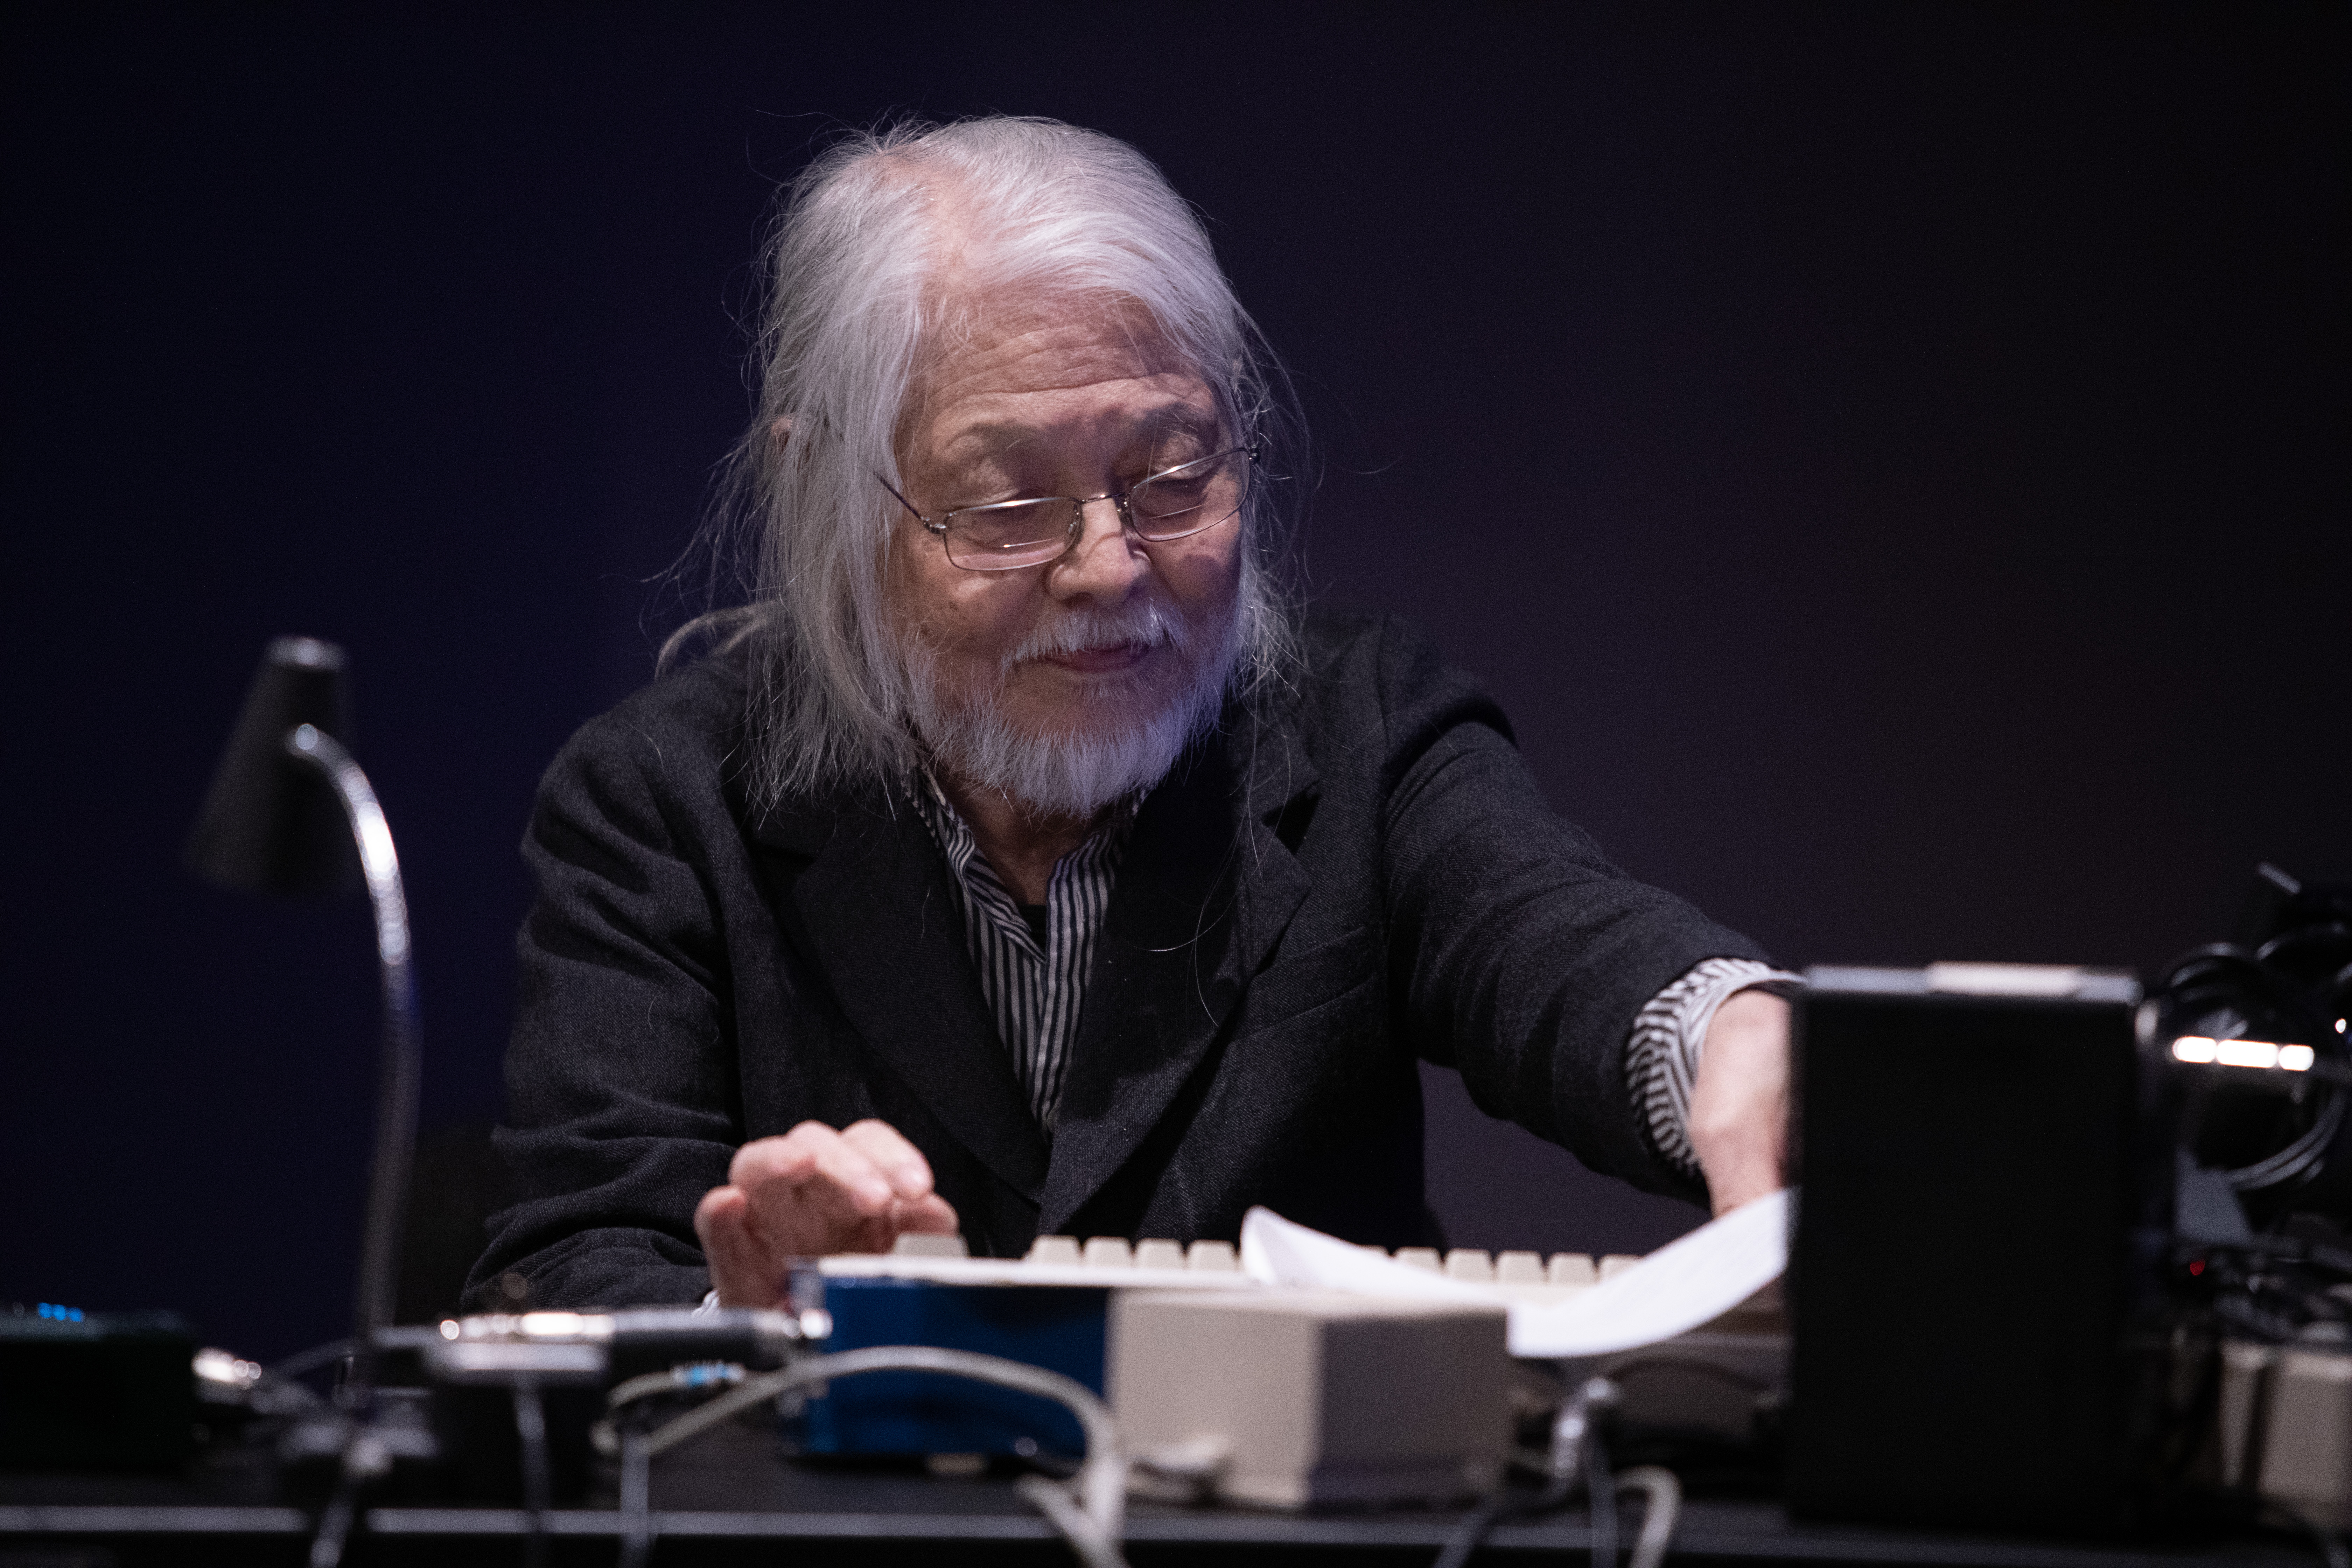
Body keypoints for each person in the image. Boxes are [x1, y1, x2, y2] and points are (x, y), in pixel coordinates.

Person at [468, 117, 1796, 1313]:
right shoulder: (662, 803)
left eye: (1170, 474)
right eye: (1006, 503)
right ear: (830, 495)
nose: (1108, 568)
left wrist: (1734, 1036)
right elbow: (574, 1266)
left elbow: (1556, 940)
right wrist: (753, 1321)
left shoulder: (1362, 726)